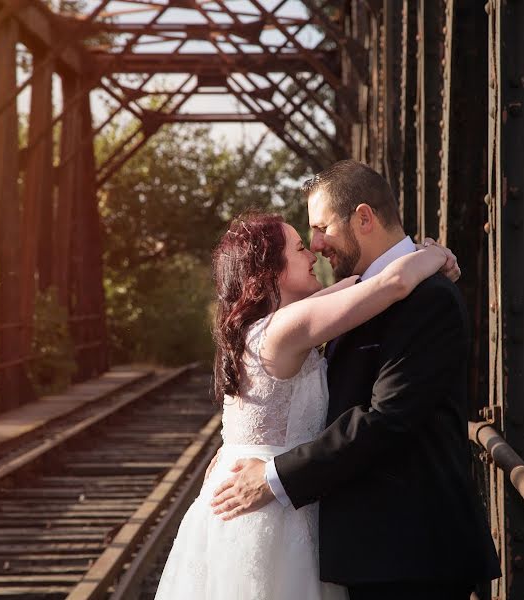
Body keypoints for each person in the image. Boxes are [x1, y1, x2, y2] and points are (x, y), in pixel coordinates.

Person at [209, 160, 501, 600]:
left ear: (363, 218)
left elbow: (389, 418)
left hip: (411, 553)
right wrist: (434, 254)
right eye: (305, 239)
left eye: (321, 226)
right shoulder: (349, 297)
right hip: (363, 550)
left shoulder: (429, 297)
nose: (316, 243)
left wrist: (273, 475)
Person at [155, 200, 461, 599]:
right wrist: (436, 254)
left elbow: (361, 284)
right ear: (269, 273)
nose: (313, 252)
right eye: (299, 248)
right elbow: (391, 285)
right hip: (273, 511)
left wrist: (422, 260)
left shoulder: (270, 324)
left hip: (269, 492)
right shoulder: (284, 328)